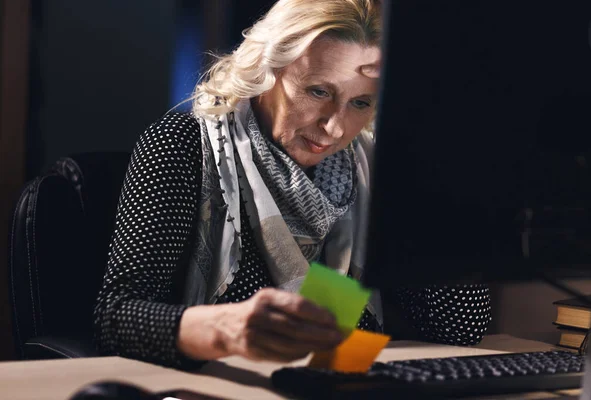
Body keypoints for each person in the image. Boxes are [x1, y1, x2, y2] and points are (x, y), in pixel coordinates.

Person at [93, 0, 491, 369]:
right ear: (267, 70)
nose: (334, 127)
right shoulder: (181, 144)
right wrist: (223, 328)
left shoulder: (374, 170)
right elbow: (115, 320)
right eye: (318, 91)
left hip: (339, 386)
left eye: (361, 103)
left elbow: (459, 327)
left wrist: (425, 172)